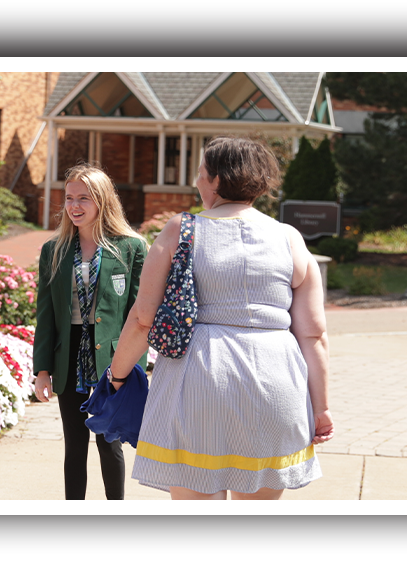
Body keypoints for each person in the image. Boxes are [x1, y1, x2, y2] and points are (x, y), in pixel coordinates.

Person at [107, 136, 334, 500]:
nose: (197, 181)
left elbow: (142, 319)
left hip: (200, 377)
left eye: (200, 173)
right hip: (276, 381)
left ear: (215, 180)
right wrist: (320, 408)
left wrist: (116, 377)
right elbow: (314, 335)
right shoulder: (290, 239)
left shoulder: (180, 230)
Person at [33, 164, 149, 500]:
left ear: (103, 201)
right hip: (68, 360)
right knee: (74, 447)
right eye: (69, 198)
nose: (75, 206)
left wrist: (132, 369)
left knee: (110, 445)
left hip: (115, 361)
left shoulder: (131, 248)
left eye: (84, 198)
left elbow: (138, 314)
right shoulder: (53, 251)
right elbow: (46, 316)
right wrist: (42, 371)